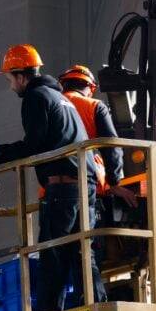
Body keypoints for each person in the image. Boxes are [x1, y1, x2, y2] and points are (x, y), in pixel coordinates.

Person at [0, 45, 106, 311]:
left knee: (52, 254)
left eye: (10, 79)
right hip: (85, 185)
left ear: (22, 76)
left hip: (63, 189)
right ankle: (97, 309)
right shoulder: (60, 98)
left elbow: (34, 145)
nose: (10, 86)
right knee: (83, 252)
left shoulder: (34, 97)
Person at [57, 65, 137, 207]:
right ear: (90, 88)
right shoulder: (94, 106)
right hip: (86, 187)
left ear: (63, 85)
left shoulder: (51, 105)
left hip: (51, 190)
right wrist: (114, 182)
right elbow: (111, 145)